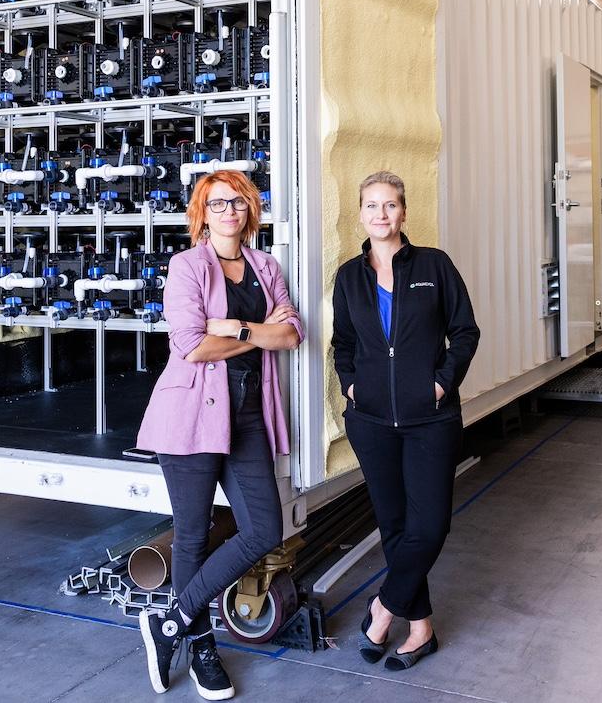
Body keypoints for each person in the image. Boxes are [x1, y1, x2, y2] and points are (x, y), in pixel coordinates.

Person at [135, 170, 303, 700]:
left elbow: (292, 333)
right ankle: (203, 648)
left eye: (239, 201)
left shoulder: (266, 266)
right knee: (191, 535)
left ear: (250, 210)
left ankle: (171, 622)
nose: (230, 210)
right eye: (219, 202)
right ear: (203, 212)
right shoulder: (186, 266)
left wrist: (235, 329)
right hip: (189, 415)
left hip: (248, 415)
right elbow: (190, 346)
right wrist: (258, 334)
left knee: (264, 529)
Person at [331, 170, 479, 670]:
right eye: (371, 205)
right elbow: (343, 345)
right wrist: (352, 386)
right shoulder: (350, 276)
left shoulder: (434, 266)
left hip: (429, 420)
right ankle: (420, 629)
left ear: (404, 212)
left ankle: (380, 610)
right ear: (360, 214)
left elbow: (465, 332)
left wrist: (440, 383)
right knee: (394, 527)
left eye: (390, 205)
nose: (381, 214)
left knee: (430, 525)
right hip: (371, 421)